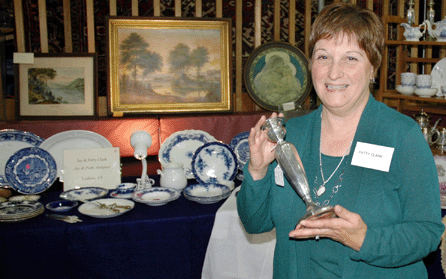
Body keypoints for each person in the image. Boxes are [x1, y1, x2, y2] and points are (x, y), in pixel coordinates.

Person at [237, 2, 444, 278]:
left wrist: (365, 240)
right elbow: (255, 224)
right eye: (323, 57)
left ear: (373, 68)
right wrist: (258, 171)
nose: (334, 73)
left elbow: (427, 232)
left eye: (351, 58)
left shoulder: (402, 136)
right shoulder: (290, 135)